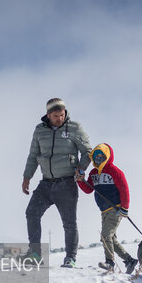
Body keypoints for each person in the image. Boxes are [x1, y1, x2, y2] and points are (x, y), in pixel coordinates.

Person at [21, 98, 92, 268]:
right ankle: (35, 254)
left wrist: (81, 169)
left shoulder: (74, 128)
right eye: (55, 116)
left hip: (66, 183)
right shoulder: (39, 131)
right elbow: (33, 156)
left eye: (62, 115)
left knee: (69, 223)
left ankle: (70, 258)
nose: (60, 119)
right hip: (46, 183)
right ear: (48, 115)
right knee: (32, 213)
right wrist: (27, 177)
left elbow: (87, 151)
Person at [76, 143, 139, 274]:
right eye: (95, 156)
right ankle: (129, 261)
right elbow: (88, 190)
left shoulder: (114, 171)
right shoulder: (93, 173)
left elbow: (124, 188)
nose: (98, 159)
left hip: (115, 209)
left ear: (108, 156)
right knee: (110, 238)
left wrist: (125, 208)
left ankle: (110, 263)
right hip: (103, 211)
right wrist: (80, 180)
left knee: (105, 236)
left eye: (101, 156)